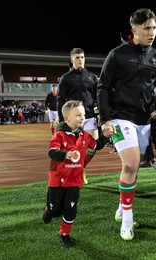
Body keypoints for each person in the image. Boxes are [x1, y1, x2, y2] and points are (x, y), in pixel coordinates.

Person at [97, 8, 156, 241]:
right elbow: (102, 87)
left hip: (145, 119)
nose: (152, 33)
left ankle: (121, 209)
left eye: (154, 28)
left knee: (134, 168)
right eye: (147, 28)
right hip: (121, 116)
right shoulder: (117, 54)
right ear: (134, 30)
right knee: (131, 164)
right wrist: (105, 119)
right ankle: (128, 220)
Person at [42, 100, 108, 248]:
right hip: (57, 180)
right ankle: (48, 210)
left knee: (70, 209)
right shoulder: (59, 135)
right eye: (78, 115)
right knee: (55, 210)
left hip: (74, 180)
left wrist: (106, 135)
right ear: (67, 118)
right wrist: (66, 155)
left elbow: (96, 145)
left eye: (83, 115)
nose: (82, 118)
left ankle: (64, 234)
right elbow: (51, 152)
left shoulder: (85, 136)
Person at [57, 48, 100, 185]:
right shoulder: (66, 78)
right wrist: (62, 118)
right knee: (75, 148)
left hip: (89, 117)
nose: (80, 60)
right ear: (72, 60)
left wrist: (100, 114)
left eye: (82, 57)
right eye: (77, 57)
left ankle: (81, 167)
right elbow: (61, 99)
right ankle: (77, 171)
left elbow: (98, 98)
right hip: (73, 119)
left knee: (93, 145)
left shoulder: (92, 77)